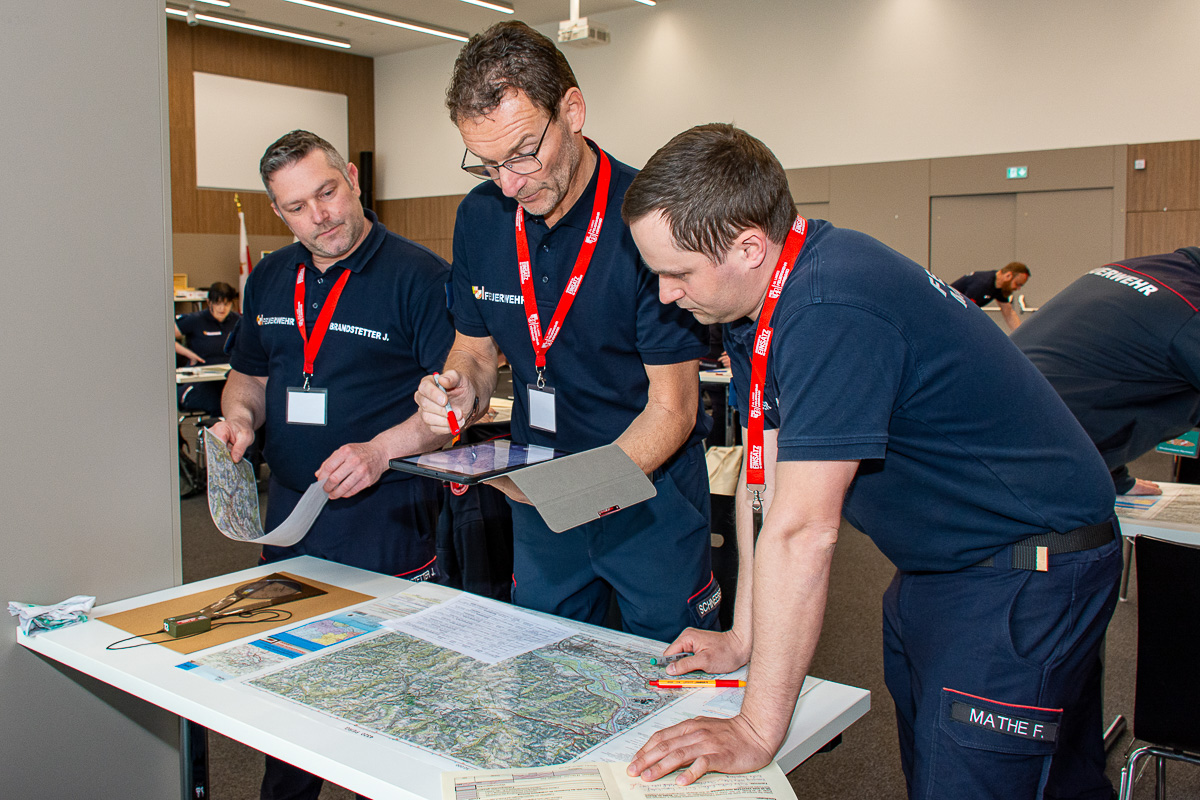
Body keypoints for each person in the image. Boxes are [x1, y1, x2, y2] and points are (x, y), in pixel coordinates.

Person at [621, 124, 1121, 800]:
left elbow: (805, 530)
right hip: (946, 564)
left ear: (748, 247)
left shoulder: (830, 304)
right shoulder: (759, 303)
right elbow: (763, 477)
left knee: (973, 784)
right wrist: (743, 635)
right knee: (958, 772)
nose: (664, 294)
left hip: (1026, 571)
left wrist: (757, 728)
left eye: (677, 273)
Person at [415, 21, 721, 643]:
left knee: (669, 670)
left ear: (573, 111)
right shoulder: (481, 217)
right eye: (488, 164)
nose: (509, 183)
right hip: (540, 493)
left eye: (523, 153)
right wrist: (460, 389)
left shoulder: (646, 218)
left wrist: (566, 495)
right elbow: (475, 349)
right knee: (544, 667)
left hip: (649, 496)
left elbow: (673, 409)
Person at [209, 130, 455, 800]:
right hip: (291, 514)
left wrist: (381, 450)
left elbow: (448, 413)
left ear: (351, 177)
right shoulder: (269, 278)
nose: (320, 215)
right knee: (287, 690)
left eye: (327, 192)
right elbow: (248, 377)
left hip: (386, 515)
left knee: (395, 694)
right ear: (277, 212)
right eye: (297, 206)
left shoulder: (419, 277)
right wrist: (241, 420)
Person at [1012, 248, 1200, 496]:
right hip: (1030, 463)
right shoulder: (1190, 309)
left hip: (986, 427)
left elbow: (1099, 369)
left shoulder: (1144, 267)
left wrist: (1112, 477)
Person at [175, 281, 240, 417]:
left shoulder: (237, 321)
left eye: (226, 304)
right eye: (217, 303)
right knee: (218, 402)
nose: (222, 308)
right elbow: (164, 336)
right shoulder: (195, 320)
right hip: (199, 382)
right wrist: (188, 353)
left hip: (227, 379)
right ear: (209, 302)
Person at [951, 261, 1030, 330]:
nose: (1018, 288)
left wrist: (1021, 334)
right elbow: (964, 310)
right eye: (1017, 284)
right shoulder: (982, 284)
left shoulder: (999, 287)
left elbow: (1009, 313)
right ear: (1008, 276)